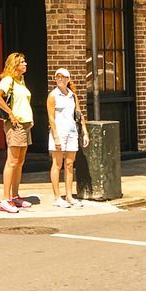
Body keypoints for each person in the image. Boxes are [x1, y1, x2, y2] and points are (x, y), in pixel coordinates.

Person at [0, 52, 33, 214]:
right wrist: (10, 113)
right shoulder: (8, 80)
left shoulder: (21, 80)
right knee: (12, 161)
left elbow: (23, 103)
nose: (25, 64)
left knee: (20, 161)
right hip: (15, 125)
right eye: (22, 62)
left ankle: (15, 196)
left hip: (25, 124)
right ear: (14, 65)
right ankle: (6, 199)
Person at [46, 67, 88, 208]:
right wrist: (56, 137)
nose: (60, 79)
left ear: (68, 79)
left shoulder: (72, 95)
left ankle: (69, 195)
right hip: (59, 132)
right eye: (58, 77)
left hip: (71, 132)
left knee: (69, 164)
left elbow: (79, 114)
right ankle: (57, 197)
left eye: (63, 77)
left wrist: (85, 131)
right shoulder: (53, 96)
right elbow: (51, 118)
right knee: (57, 164)